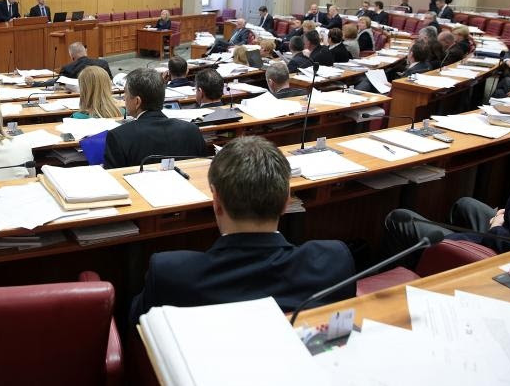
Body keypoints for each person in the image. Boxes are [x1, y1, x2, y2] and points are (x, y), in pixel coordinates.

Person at [129, 136, 355, 324]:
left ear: (216, 202)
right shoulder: (333, 262)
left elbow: (136, 329)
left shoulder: (170, 273)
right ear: (287, 200)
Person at [384, 166, 510, 258]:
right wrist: (509, 214)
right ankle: (436, 264)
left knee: (398, 219)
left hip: (504, 251)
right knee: (465, 205)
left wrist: (496, 227)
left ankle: (398, 289)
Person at [103, 68, 207, 169]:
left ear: (137, 101)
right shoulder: (192, 130)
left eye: (125, 94)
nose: (124, 98)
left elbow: (114, 180)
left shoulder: (119, 137)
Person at [27, 42, 112, 86]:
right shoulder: (103, 63)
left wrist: (34, 83)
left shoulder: (68, 68)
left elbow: (56, 83)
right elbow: (111, 81)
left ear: (72, 56)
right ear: (86, 51)